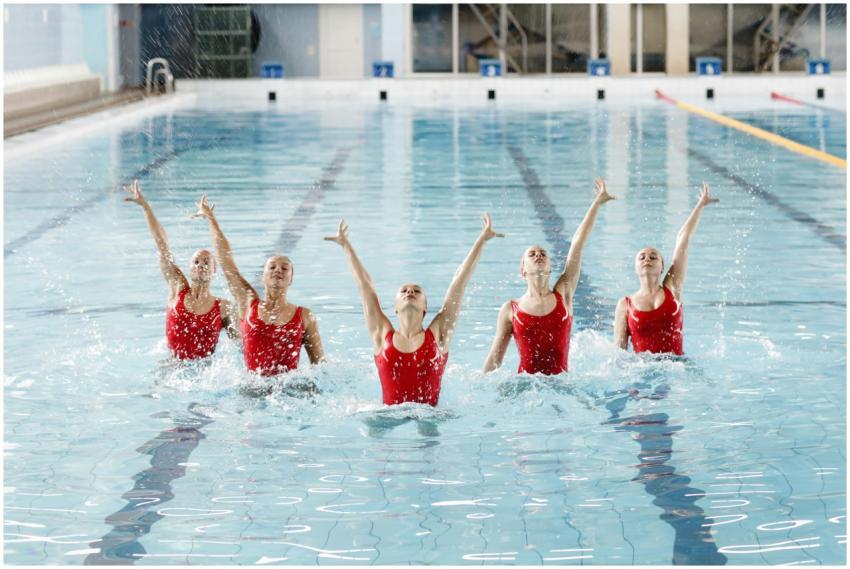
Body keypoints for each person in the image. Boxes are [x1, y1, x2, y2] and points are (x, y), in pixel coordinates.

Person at [325, 214, 503, 406]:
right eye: (404, 290)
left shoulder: (439, 335)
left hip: (431, 416)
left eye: (417, 291)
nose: (410, 291)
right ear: (395, 307)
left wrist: (482, 240)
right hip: (386, 415)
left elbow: (458, 283)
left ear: (425, 307)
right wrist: (345, 245)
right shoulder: (381, 334)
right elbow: (364, 285)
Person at [483, 178, 615, 375]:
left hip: (562, 383)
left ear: (551, 266)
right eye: (532, 254)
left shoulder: (564, 293)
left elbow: (578, 243)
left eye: (543, 253)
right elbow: (494, 361)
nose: (538, 255)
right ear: (523, 269)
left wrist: (596, 204)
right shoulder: (510, 310)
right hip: (526, 388)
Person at [193, 194, 325, 375]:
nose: (278, 270)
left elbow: (320, 367)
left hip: (289, 393)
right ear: (263, 276)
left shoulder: (305, 317)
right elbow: (226, 262)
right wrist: (211, 219)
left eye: (284, 268)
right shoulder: (248, 303)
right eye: (272, 267)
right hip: (251, 390)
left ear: (291, 279)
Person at [124, 180, 239, 360]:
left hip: (205, 374)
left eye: (207, 262)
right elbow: (162, 244)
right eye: (196, 261)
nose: (201, 264)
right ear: (189, 268)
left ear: (214, 270)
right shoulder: (178, 289)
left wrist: (211, 218)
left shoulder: (224, 308)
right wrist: (145, 207)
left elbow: (244, 346)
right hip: (172, 368)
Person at [613, 182, 718, 355]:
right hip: (642, 372)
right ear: (635, 268)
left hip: (677, 367)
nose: (647, 259)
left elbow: (682, 239)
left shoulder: (673, 288)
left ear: (662, 267)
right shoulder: (625, 305)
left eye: (653, 257)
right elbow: (619, 352)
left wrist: (700, 205)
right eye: (642, 257)